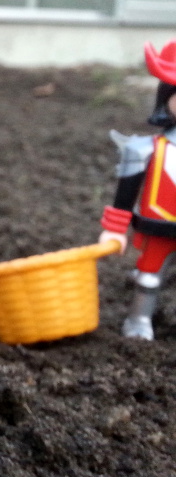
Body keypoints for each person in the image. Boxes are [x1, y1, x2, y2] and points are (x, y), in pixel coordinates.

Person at [99, 40, 176, 339]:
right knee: (149, 276)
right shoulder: (146, 149)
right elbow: (126, 193)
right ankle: (139, 318)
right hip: (158, 227)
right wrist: (116, 228)